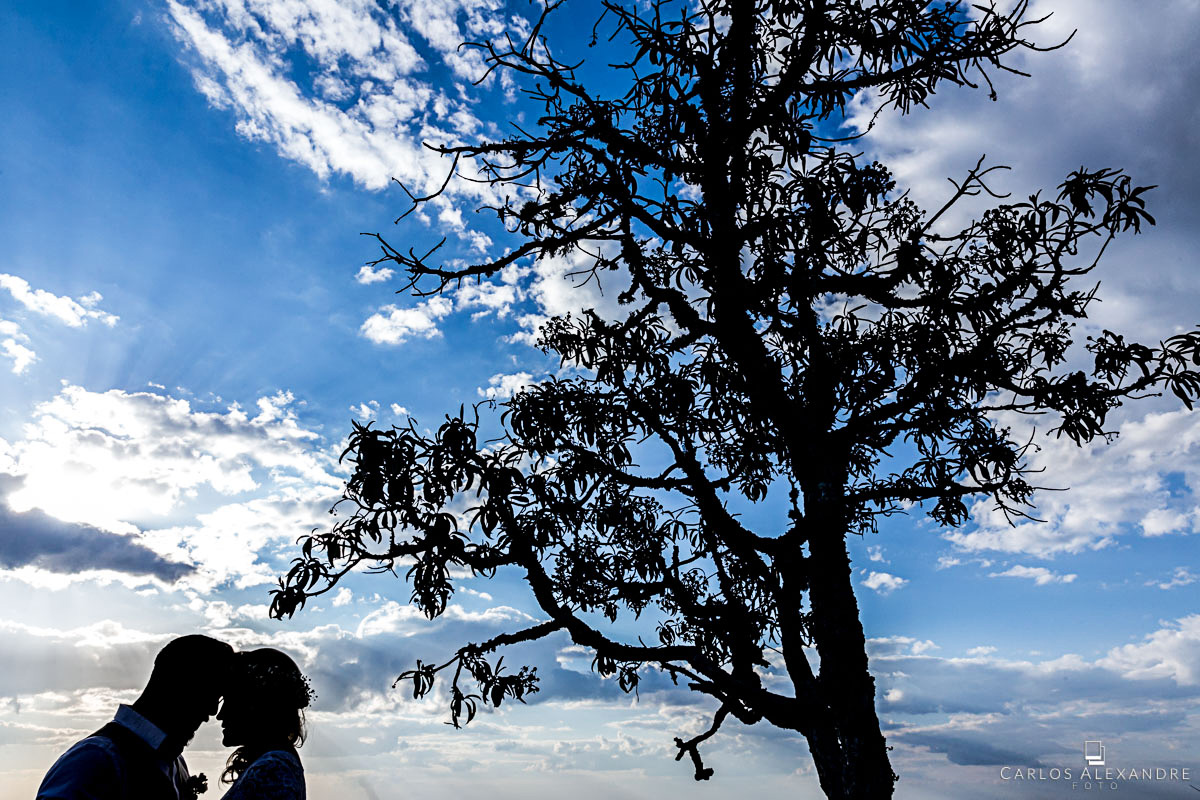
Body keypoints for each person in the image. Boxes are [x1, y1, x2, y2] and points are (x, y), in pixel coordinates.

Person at [37, 634, 235, 800]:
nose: (211, 712)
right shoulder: (95, 758)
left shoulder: (175, 762)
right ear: (176, 686)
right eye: (208, 695)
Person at [217, 648, 312, 800]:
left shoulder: (272, 769)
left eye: (230, 702)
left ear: (257, 706)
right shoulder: (275, 764)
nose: (220, 715)